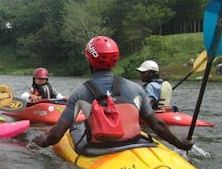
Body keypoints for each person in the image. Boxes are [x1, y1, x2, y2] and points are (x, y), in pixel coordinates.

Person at [32, 35, 193, 151]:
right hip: (135, 144)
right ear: (115, 60)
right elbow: (157, 125)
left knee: (76, 128)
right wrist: (180, 144)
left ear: (89, 59)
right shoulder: (136, 88)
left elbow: (57, 134)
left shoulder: (80, 92)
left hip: (99, 149)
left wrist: (43, 142)